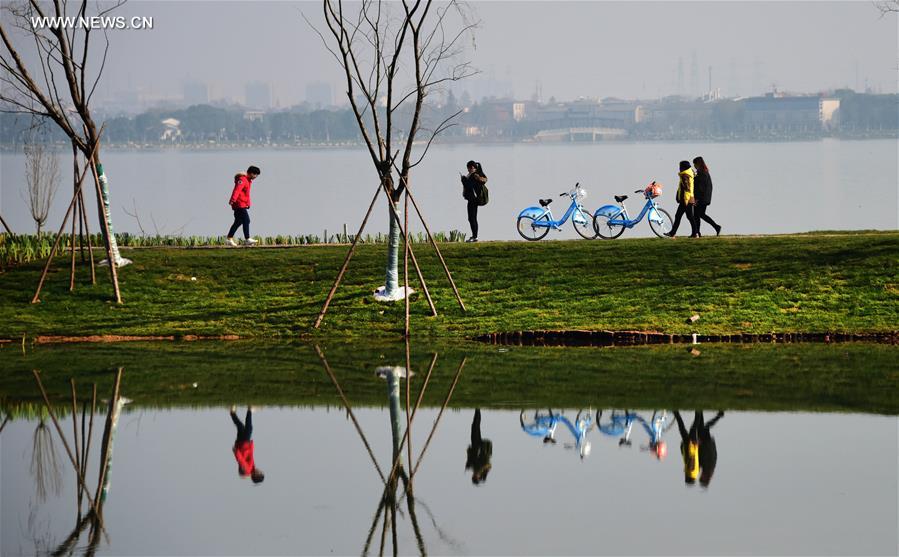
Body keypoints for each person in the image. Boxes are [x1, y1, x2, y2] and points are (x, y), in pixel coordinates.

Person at [673, 410, 724, 488]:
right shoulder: (708, 467)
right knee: (701, 427)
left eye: (699, 478)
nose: (700, 477)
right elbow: (708, 454)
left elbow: (694, 458)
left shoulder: (703, 469)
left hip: (699, 444)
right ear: (705, 478)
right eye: (701, 478)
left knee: (698, 427)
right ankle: (716, 415)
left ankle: (700, 410)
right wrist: (701, 444)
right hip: (706, 443)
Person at [226, 165, 261, 247]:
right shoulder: (242, 180)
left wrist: (248, 203)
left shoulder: (248, 181)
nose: (256, 177)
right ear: (251, 173)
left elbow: (246, 194)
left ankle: (229, 238)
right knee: (246, 220)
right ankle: (247, 239)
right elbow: (237, 190)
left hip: (243, 203)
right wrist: (233, 200)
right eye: (255, 175)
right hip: (238, 204)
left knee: (238, 221)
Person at [230, 405, 265, 484]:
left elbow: (241, 460)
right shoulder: (251, 468)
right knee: (240, 426)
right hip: (241, 445)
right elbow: (249, 456)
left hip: (243, 446)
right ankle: (232, 412)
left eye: (260, 473)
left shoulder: (248, 469)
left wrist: (236, 452)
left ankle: (249, 410)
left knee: (249, 428)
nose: (260, 470)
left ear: (256, 475)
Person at [691, 157, 721, 237]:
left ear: (698, 163)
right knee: (699, 214)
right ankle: (699, 232)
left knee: (698, 215)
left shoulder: (701, 173)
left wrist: (697, 199)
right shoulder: (704, 172)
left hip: (702, 198)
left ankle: (714, 227)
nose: (694, 166)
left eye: (695, 164)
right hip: (705, 197)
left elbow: (699, 188)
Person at [666, 161, 696, 238]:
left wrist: (685, 200)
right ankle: (694, 233)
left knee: (679, 216)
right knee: (689, 217)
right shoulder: (690, 174)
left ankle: (672, 233)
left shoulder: (685, 176)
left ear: (683, 167)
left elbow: (687, 189)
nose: (679, 168)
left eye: (680, 167)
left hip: (686, 200)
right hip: (690, 198)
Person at [460, 160, 487, 242]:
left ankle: (475, 237)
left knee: (472, 218)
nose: (468, 170)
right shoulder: (477, 174)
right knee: (471, 218)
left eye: (468, 168)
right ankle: (474, 236)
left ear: (471, 167)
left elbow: (469, 186)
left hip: (473, 200)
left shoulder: (475, 175)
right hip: (472, 199)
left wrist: (463, 180)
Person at [465, 408, 492, 485]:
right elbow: (489, 464)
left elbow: (470, 457)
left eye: (473, 477)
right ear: (479, 476)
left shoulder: (473, 468)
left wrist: (468, 464)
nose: (474, 475)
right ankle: (477, 409)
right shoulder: (485, 470)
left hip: (475, 445)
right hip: (482, 447)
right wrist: (482, 467)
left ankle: (477, 410)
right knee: (475, 426)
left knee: (475, 426)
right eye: (475, 477)